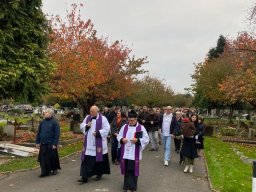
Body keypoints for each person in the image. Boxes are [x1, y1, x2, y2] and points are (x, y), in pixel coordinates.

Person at [117, 110, 149, 192]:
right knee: (127, 169)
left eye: (132, 120)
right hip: (125, 152)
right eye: (129, 120)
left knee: (132, 169)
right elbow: (119, 135)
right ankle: (126, 186)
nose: (130, 122)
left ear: (136, 119)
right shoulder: (124, 127)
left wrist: (138, 140)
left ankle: (131, 187)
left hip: (134, 153)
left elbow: (146, 139)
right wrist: (121, 139)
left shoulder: (141, 128)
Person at [78, 105, 110, 184]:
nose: (91, 113)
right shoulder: (88, 117)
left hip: (99, 143)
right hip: (89, 143)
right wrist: (86, 126)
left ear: (97, 111)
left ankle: (99, 174)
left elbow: (107, 129)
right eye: (90, 111)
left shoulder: (103, 119)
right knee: (86, 160)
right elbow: (82, 126)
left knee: (99, 160)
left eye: (93, 111)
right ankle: (84, 177)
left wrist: (98, 133)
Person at [36, 108, 61, 177]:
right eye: (45, 112)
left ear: (50, 114)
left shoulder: (55, 122)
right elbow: (39, 132)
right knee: (42, 158)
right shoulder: (42, 122)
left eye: (46, 112)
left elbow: (57, 134)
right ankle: (44, 171)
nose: (45, 113)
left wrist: (55, 144)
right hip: (43, 143)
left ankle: (54, 169)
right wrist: (37, 142)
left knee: (52, 157)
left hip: (51, 143)